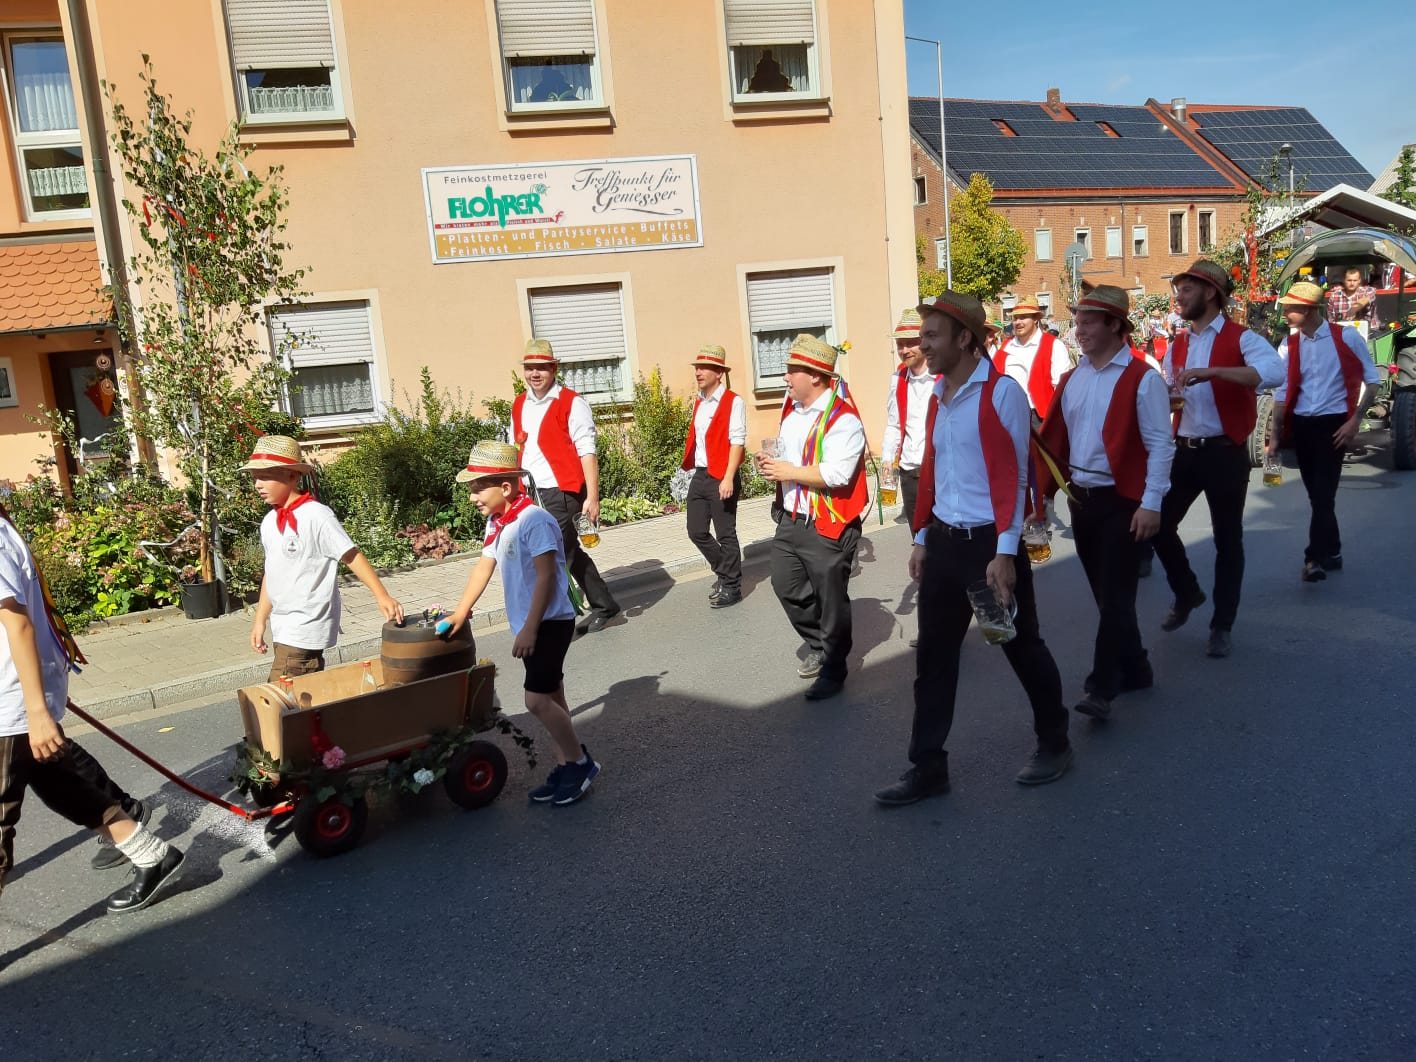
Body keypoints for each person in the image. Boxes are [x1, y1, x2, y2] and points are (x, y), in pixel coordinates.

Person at [874, 292, 1071, 805]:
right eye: (922, 336)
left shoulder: (1002, 393)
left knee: (1019, 645)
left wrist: (1005, 553)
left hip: (989, 544)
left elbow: (1016, 476)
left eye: (932, 335)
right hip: (944, 542)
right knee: (934, 660)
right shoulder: (937, 395)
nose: (923, 345)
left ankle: (1055, 741)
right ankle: (927, 766)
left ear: (964, 338)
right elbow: (936, 470)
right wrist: (922, 537)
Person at [0, 512, 184, 912]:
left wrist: (37, 710)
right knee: (64, 788)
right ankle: (150, 853)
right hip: (16, 701)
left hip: (10, 705)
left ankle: (148, 850)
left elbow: (19, 626)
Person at [1037, 287, 1174, 720]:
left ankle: (1102, 687)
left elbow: (1161, 445)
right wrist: (1043, 495)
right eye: (1077, 322)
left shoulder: (1143, 378)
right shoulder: (1072, 379)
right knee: (1104, 594)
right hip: (1082, 499)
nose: (1078, 330)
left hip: (1123, 500)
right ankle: (1137, 668)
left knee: (1115, 595)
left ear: (1115, 325)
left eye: (1088, 322)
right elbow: (1055, 440)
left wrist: (1151, 503)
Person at [446, 441, 599, 805]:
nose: (472, 497)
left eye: (478, 488)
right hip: (530, 623)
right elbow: (484, 566)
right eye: (471, 489)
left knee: (535, 700)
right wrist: (461, 611)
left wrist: (530, 628)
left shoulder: (535, 521)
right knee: (553, 694)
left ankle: (580, 764)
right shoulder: (498, 523)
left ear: (505, 487)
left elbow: (547, 576)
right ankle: (565, 764)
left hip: (549, 622)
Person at [1150, 260, 1284, 659]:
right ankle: (1187, 592)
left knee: (1228, 540)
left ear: (1210, 292)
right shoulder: (1177, 343)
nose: (1179, 297)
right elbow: (1168, 390)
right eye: (1178, 289)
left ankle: (1222, 625)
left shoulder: (1243, 338)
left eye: (1187, 289)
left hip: (1225, 452)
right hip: (1184, 449)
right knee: (1157, 526)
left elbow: (1273, 373)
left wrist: (1215, 372)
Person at [757, 335, 867, 702]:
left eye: (792, 371)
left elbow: (837, 473)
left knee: (831, 599)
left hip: (827, 522)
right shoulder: (793, 414)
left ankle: (834, 667)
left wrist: (788, 470)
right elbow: (788, 460)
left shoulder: (843, 420)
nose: (786, 377)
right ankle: (819, 643)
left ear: (815, 376)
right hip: (791, 518)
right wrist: (769, 465)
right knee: (785, 585)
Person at [246, 436, 404, 678]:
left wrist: (382, 595)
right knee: (297, 699)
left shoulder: (316, 515)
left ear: (292, 476)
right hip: (283, 627)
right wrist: (260, 620)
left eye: (266, 476)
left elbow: (351, 555)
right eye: (255, 477)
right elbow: (272, 572)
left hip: (306, 627)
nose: (258, 484)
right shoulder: (269, 522)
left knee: (280, 696)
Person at [1268, 281, 1382, 582]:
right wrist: (1275, 438)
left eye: (1290, 308)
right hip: (1302, 426)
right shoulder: (1288, 345)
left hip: (1334, 426)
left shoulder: (1346, 336)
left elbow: (1373, 381)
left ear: (1307, 310)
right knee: (1318, 496)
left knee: (1322, 495)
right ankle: (1333, 550)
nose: (1285, 314)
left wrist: (1355, 420)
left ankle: (1313, 558)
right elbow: (1281, 395)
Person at [512, 339, 622, 635]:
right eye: (530, 368)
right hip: (530, 492)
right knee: (567, 552)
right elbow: (517, 448)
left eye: (542, 368)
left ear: (554, 369)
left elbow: (587, 451)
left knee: (550, 555)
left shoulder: (572, 403)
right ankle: (604, 605)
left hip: (561, 492)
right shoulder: (520, 403)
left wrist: (593, 497)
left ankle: (553, 619)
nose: (535, 373)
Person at [682, 344, 747, 609]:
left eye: (704, 368)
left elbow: (737, 441)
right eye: (697, 367)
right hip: (701, 474)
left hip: (723, 474)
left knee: (725, 533)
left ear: (719, 373)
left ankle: (732, 586)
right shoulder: (700, 401)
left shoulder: (734, 402)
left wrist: (729, 477)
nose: (698, 372)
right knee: (695, 530)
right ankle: (725, 571)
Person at [880, 308, 938, 523]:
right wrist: (887, 460)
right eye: (900, 345)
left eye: (910, 343)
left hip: (939, 470)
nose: (904, 350)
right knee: (918, 533)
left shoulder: (942, 376)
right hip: (909, 471)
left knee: (944, 535)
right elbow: (894, 424)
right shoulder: (898, 378)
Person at [994, 297, 1066, 417]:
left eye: (1023, 317)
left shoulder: (1054, 345)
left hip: (1040, 416)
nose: (1018, 322)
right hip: (1009, 413)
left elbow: (1061, 387)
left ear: (1035, 319)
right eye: (1015, 318)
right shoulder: (1006, 346)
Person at [1327, 267, 1381, 334]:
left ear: (1359, 280)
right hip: (1344, 333)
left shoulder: (1368, 291)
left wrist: (1353, 309)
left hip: (1370, 332)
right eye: (1349, 280)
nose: (1352, 283)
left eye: (1355, 280)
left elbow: (1367, 298)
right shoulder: (1335, 296)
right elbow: (1331, 320)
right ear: (1344, 280)